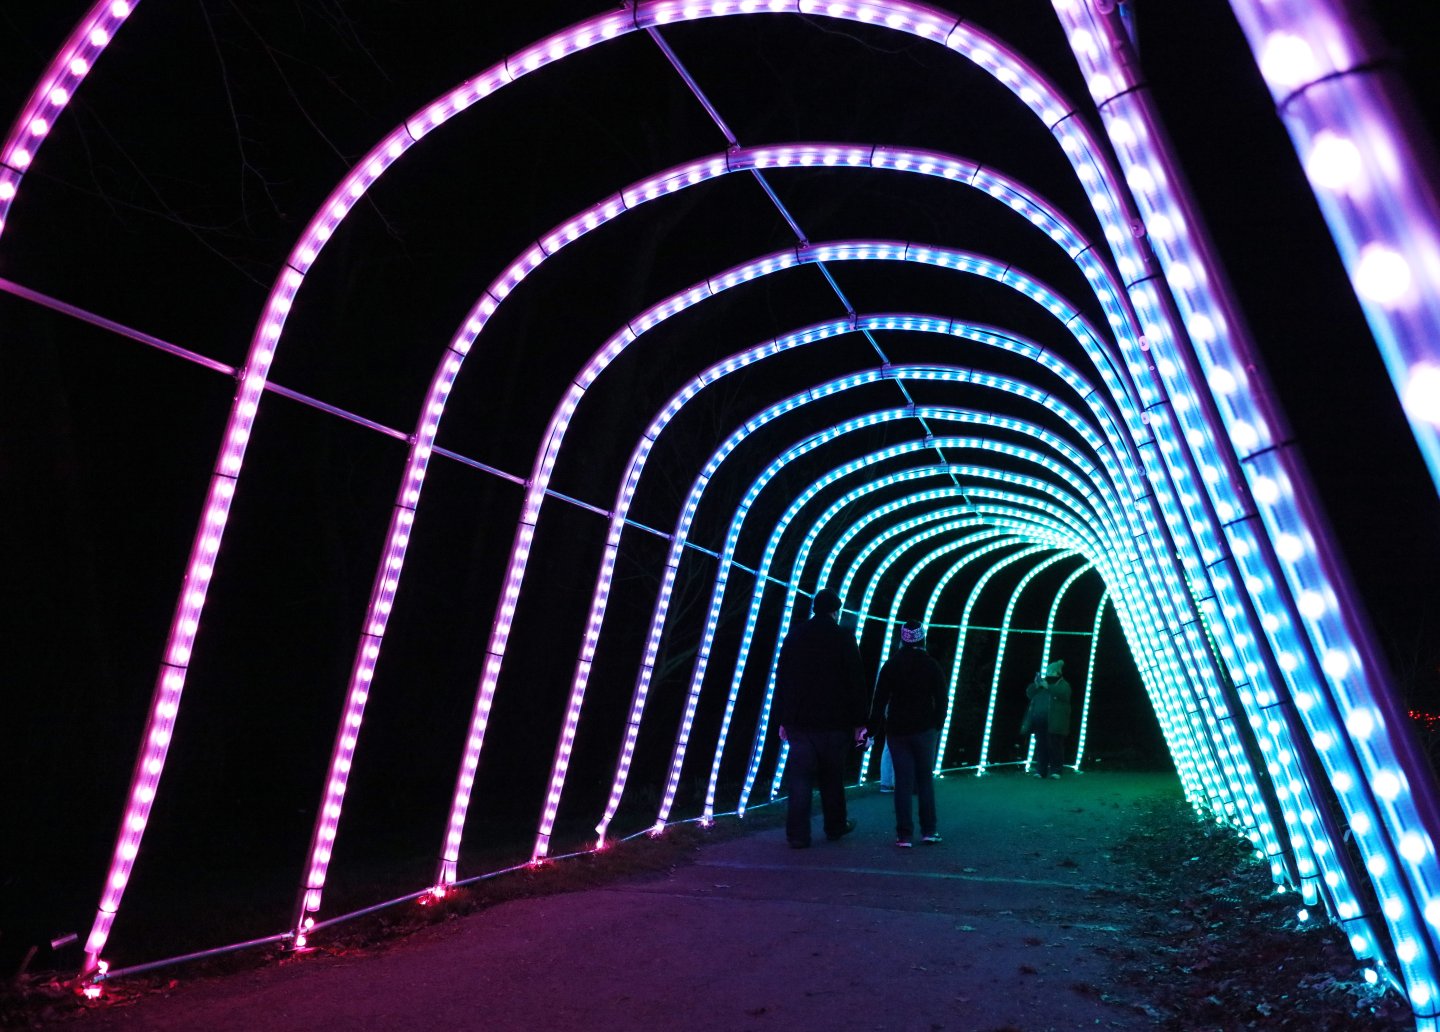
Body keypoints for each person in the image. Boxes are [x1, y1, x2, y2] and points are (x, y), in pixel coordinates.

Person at [774, 587, 869, 848]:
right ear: (835, 611)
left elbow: (782, 679)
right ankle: (835, 826)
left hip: (800, 721)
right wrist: (860, 721)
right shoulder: (843, 638)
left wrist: (783, 718)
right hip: (835, 721)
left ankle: (797, 834)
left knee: (800, 779)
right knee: (832, 777)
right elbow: (855, 681)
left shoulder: (795, 636)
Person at [868, 620, 946, 847]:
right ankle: (929, 831)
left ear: (901, 639)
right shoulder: (931, 665)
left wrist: (872, 730)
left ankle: (904, 835)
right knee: (924, 780)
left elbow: (879, 700)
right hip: (924, 729)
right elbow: (942, 699)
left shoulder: (891, 665)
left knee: (902, 781)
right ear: (922, 639)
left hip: (897, 730)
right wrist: (937, 724)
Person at [1025, 660, 1073, 779]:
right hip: (1040, 720)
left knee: (1055, 746)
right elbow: (1029, 693)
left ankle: (1056, 771)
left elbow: (1064, 694)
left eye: (1050, 671)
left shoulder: (1063, 684)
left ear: (1057, 672)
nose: (1048, 673)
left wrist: (1048, 687)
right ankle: (1040, 771)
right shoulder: (1043, 684)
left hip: (1056, 722)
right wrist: (1036, 685)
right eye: (1047, 671)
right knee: (1041, 746)